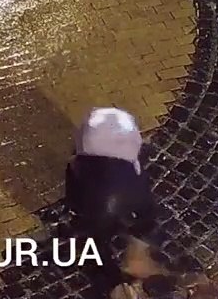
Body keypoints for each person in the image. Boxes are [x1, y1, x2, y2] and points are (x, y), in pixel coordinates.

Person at [65, 108, 160, 291]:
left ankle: (114, 278)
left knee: (97, 239)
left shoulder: (85, 148)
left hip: (99, 203)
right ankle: (132, 256)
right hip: (127, 192)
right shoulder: (135, 188)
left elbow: (74, 169)